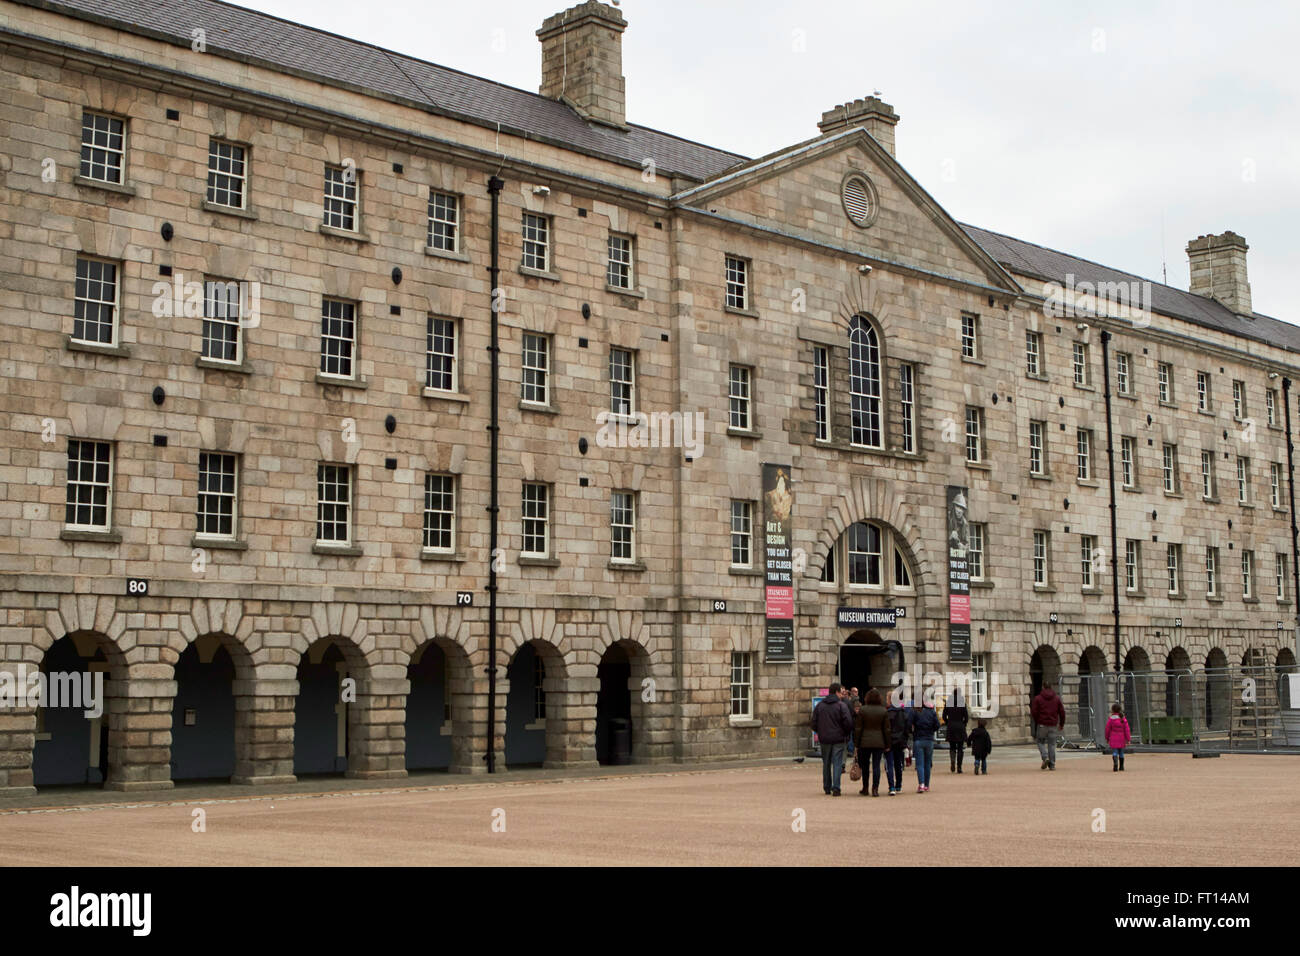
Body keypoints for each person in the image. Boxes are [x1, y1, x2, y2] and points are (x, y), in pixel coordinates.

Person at [812, 682, 854, 795]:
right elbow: (848, 723)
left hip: (825, 739)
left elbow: (813, 723)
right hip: (838, 739)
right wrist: (845, 733)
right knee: (837, 763)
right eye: (841, 692)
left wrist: (820, 732)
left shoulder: (820, 705)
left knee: (826, 763)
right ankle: (836, 787)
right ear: (836, 692)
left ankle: (826, 787)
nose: (842, 695)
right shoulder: (841, 706)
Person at [853, 689, 890, 796]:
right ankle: (875, 788)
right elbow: (886, 729)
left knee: (865, 766)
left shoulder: (863, 710)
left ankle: (865, 788)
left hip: (865, 742)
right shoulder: (883, 711)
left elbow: (858, 728)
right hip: (879, 742)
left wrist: (857, 743)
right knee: (876, 766)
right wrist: (888, 744)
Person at [1030, 681, 1066, 770]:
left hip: (1042, 724)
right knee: (1052, 745)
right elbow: (1062, 712)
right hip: (1053, 724)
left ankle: (1045, 757)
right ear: (1051, 687)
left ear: (1043, 687)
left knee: (1040, 742)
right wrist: (1061, 723)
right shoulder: (1057, 698)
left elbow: (1034, 712)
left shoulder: (1038, 698)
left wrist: (1037, 721)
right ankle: (1052, 764)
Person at [908, 697, 940, 792]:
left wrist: (913, 732)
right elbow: (937, 725)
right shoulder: (931, 712)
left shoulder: (914, 712)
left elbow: (909, 724)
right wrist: (931, 730)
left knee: (920, 764)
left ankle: (921, 784)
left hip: (918, 738)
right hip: (929, 739)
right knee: (927, 763)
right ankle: (926, 785)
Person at [885, 693, 909, 795]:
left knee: (889, 765)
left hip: (890, 741)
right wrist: (904, 741)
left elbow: (886, 730)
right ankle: (898, 784)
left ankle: (891, 786)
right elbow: (906, 730)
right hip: (900, 741)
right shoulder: (903, 713)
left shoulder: (887, 713)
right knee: (898, 764)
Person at [943, 689, 969, 773]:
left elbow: (944, 716)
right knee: (960, 748)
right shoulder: (962, 703)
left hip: (951, 726)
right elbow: (966, 717)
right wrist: (963, 724)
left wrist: (948, 722)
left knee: (952, 747)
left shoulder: (949, 702)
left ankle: (953, 761)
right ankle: (959, 767)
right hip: (960, 726)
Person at [1105, 703, 1131, 772]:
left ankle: (1115, 762)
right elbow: (1127, 730)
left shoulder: (1111, 719)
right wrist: (1128, 739)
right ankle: (1121, 766)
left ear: (1112, 710)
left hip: (1113, 737)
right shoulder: (1123, 719)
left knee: (1115, 751)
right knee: (1121, 752)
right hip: (1122, 738)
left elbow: (1107, 729)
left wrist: (1107, 738)